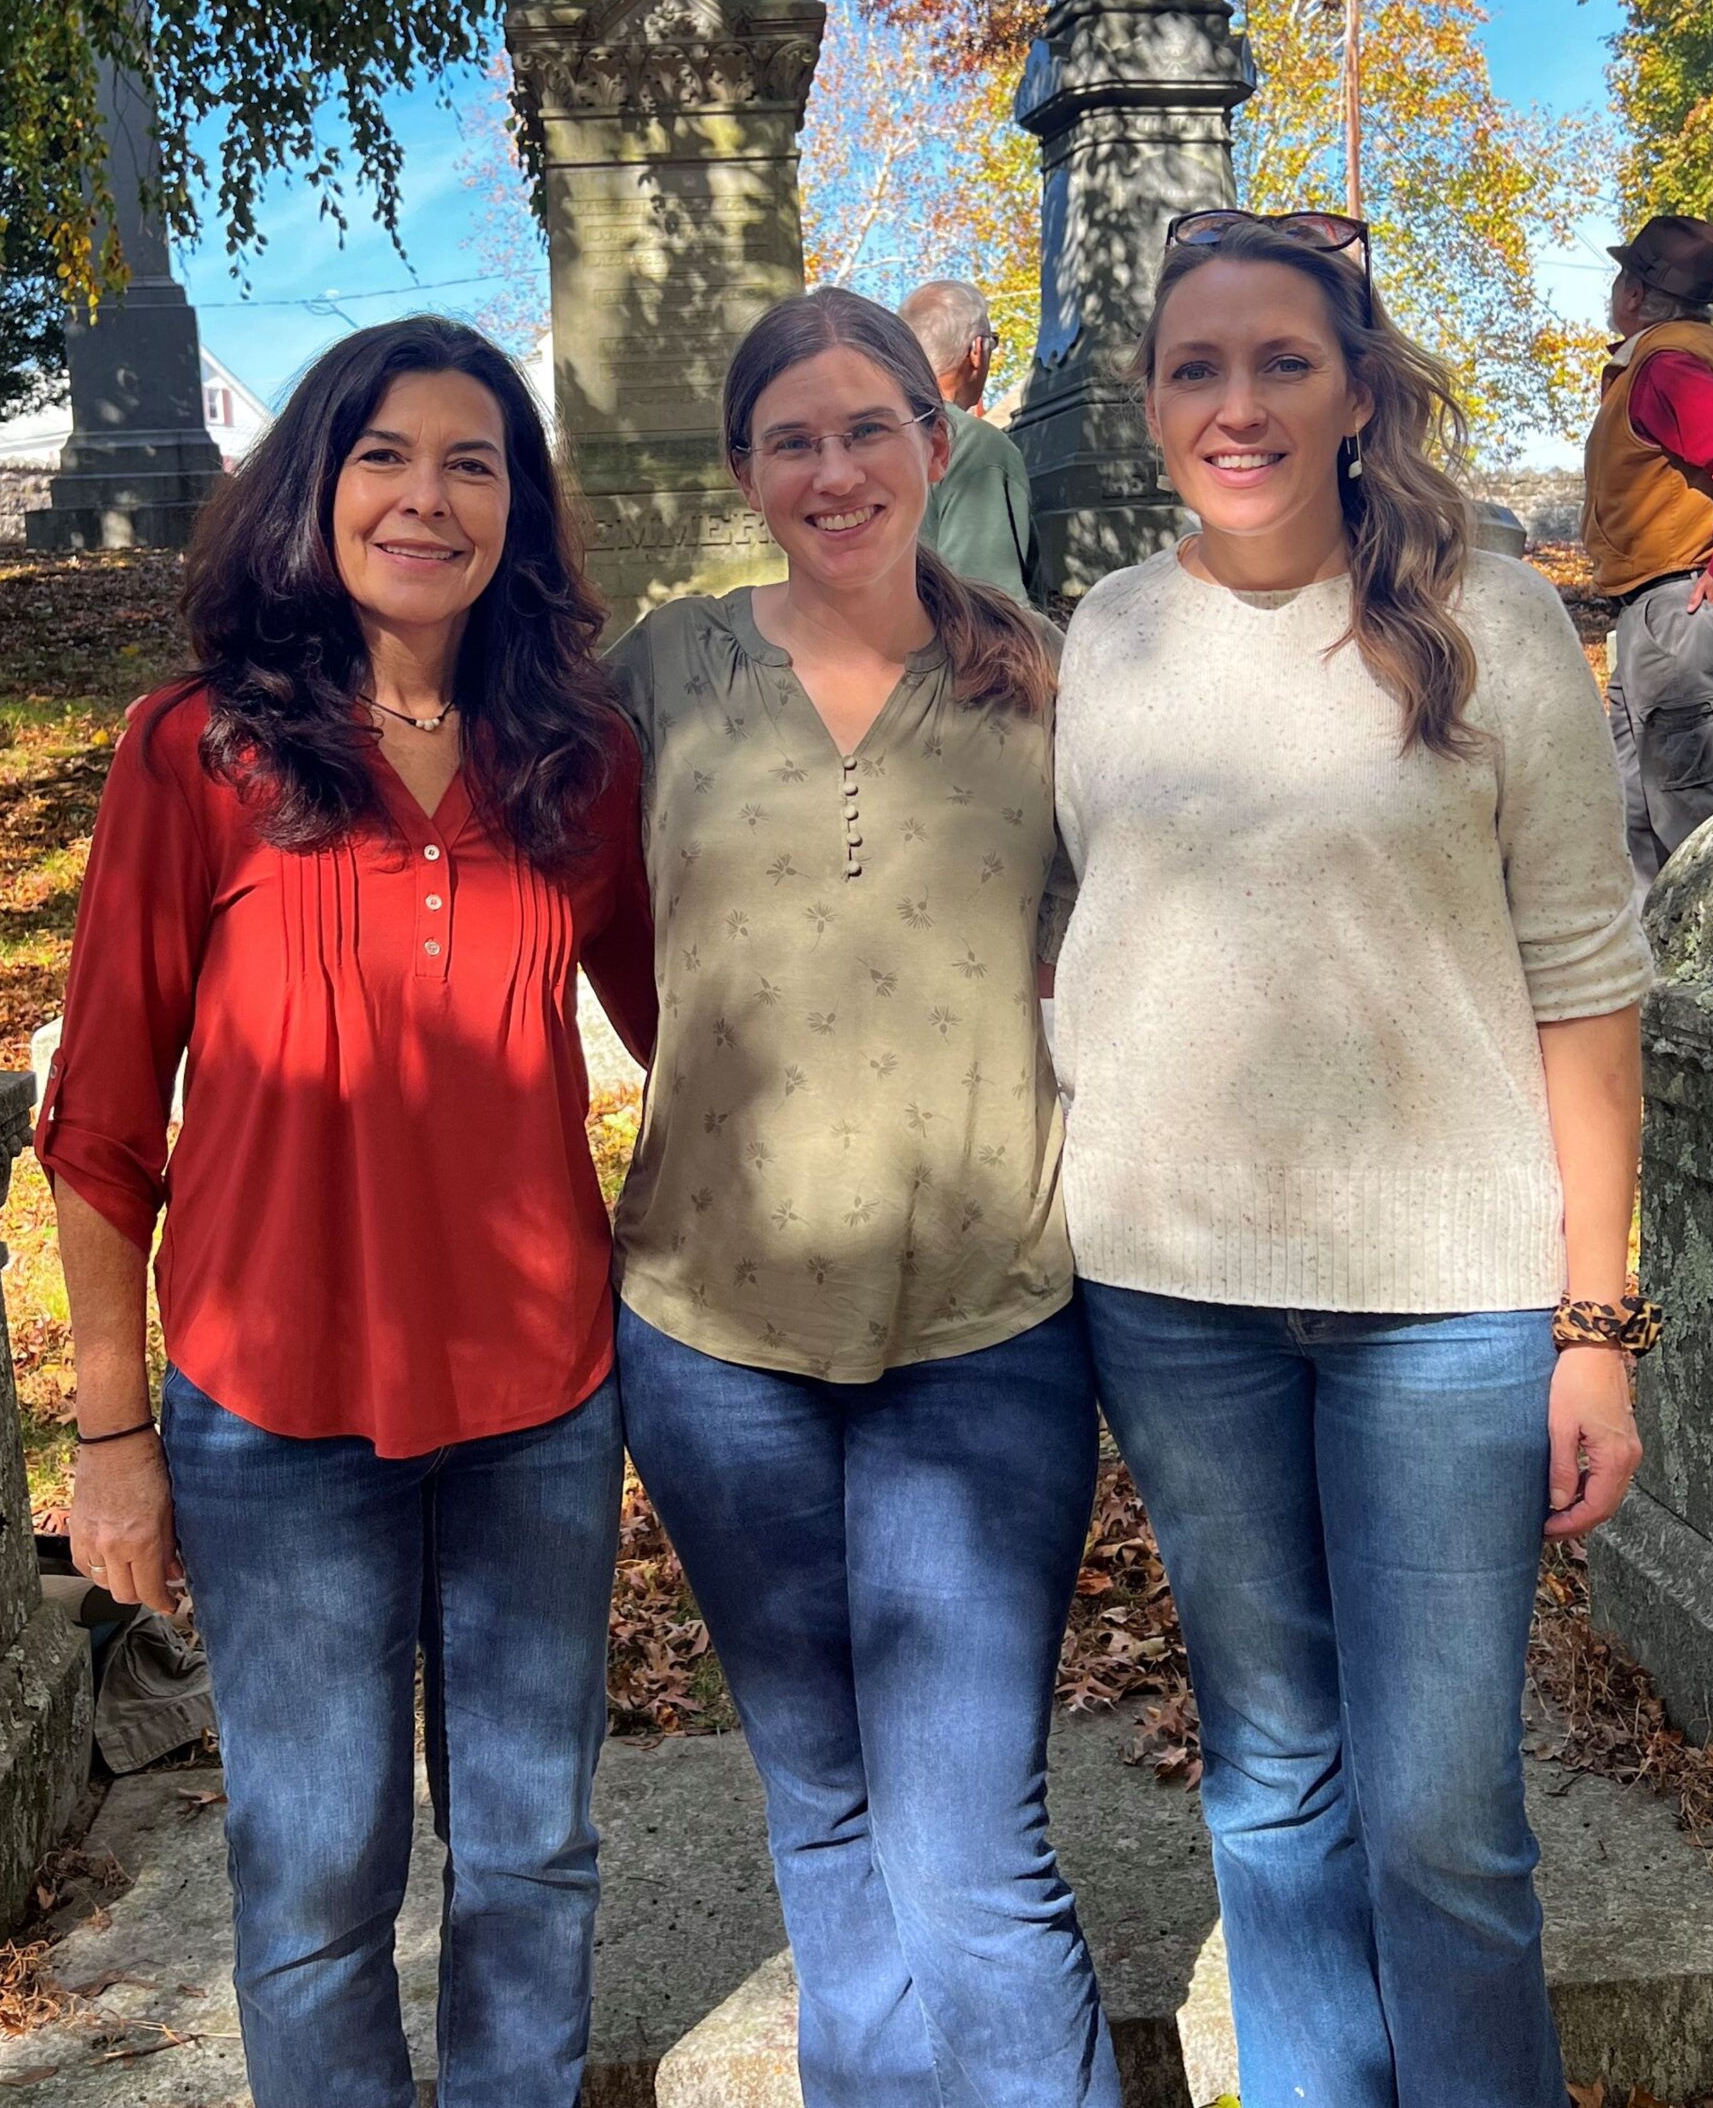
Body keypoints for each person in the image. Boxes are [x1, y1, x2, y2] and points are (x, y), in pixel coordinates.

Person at [1053, 212, 1656, 2108]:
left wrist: (1596, 1325)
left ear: (1354, 387)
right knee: (1275, 1783)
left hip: (1447, 1317)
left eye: (1278, 362)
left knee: (1444, 1821)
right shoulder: (1109, 632)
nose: (1234, 405)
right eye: (1192, 369)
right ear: (1148, 403)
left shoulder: (1494, 620)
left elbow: (1585, 981)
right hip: (1174, 1294)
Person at [37, 318, 656, 2108]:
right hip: (273, 1406)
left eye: (474, 464)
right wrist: (110, 1435)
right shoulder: (199, 753)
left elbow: (699, 1019)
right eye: (386, 455)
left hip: (539, 1397)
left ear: (517, 515)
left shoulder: (578, 761)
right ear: (318, 486)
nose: (427, 497)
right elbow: (96, 1127)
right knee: (315, 1883)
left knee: (534, 1856)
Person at [604, 287, 1120, 2108]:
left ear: (936, 437)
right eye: (792, 440)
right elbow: (582, 908)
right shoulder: (666, 669)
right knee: (821, 1818)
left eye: (868, 428)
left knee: (975, 1854)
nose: (835, 470)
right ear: (748, 470)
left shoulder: (1050, 676)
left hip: (982, 1330)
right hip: (711, 1330)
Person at [1584, 213, 1713, 896]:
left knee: (1690, 802)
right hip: (1656, 605)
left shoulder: (1668, 365)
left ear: (1633, 292)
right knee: (1638, 799)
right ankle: (1657, 974)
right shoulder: (1676, 357)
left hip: (1679, 600)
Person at [901, 276, 1040, 602]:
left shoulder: (874, 439)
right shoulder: (977, 448)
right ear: (977, 349)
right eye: (992, 341)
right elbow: (990, 605)